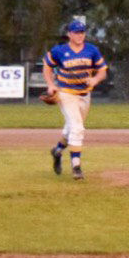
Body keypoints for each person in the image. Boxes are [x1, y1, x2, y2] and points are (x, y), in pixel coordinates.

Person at [43, 19, 109, 181]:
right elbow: (47, 66)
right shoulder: (60, 50)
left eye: (82, 32)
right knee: (78, 128)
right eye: (76, 32)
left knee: (70, 129)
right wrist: (51, 84)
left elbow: (102, 71)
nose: (80, 35)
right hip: (66, 94)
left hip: (85, 95)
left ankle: (57, 151)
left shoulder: (92, 50)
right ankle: (76, 166)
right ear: (69, 34)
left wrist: (95, 80)